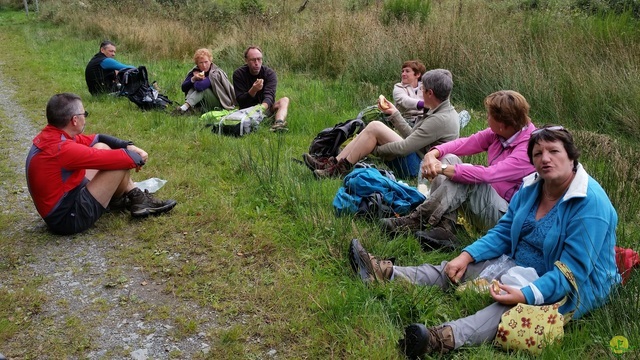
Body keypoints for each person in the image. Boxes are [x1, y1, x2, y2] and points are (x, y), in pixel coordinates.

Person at [349, 125, 621, 357]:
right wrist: (467, 255)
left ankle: (440, 339)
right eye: (538, 153)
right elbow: (503, 232)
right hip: (521, 263)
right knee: (458, 268)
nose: (545, 159)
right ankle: (385, 273)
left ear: (572, 157)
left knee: (509, 306)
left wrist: (525, 294)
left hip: (572, 286)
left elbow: (570, 272)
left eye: (554, 152)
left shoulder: (591, 205)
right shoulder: (533, 187)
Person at [380, 90, 536, 249]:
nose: (487, 118)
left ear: (502, 125)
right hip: (490, 201)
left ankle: (417, 219)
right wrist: (433, 153)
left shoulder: (528, 150)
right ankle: (445, 227)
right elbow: (465, 143)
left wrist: (443, 169)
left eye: (489, 116)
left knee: (465, 176)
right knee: (449, 158)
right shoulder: (502, 133)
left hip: (507, 218)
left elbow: (488, 175)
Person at [26, 93, 177, 235]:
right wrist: (137, 157)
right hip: (66, 219)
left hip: (63, 201)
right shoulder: (62, 149)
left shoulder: (53, 136)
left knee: (103, 148)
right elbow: (121, 159)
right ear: (74, 120)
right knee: (118, 163)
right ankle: (137, 198)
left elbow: (97, 139)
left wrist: (128, 146)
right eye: (84, 114)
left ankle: (130, 199)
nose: (85, 117)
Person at [304, 69, 459, 179]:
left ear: (430, 93)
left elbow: (405, 147)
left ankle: (336, 170)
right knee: (374, 126)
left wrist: (374, 149)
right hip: (418, 157)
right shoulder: (439, 110)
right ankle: (333, 164)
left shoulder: (439, 119)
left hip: (420, 170)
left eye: (423, 89)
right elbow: (414, 137)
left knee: (374, 128)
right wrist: (395, 115)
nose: (421, 92)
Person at [233, 46, 290, 132]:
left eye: (259, 59)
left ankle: (279, 123)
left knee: (285, 100)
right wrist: (253, 90)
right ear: (246, 61)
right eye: (253, 60)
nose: (257, 63)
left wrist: (262, 108)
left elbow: (269, 95)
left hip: (265, 108)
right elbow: (241, 101)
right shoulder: (239, 74)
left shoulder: (269, 73)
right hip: (247, 110)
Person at [173, 48, 236, 115]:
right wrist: (194, 78)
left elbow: (199, 87)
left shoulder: (215, 73)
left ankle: (183, 108)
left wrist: (198, 79)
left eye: (206, 62)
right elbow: (183, 88)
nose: (204, 65)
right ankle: (190, 109)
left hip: (220, 103)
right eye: (201, 63)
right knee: (191, 85)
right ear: (197, 64)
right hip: (204, 103)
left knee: (204, 90)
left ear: (210, 61)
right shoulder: (195, 70)